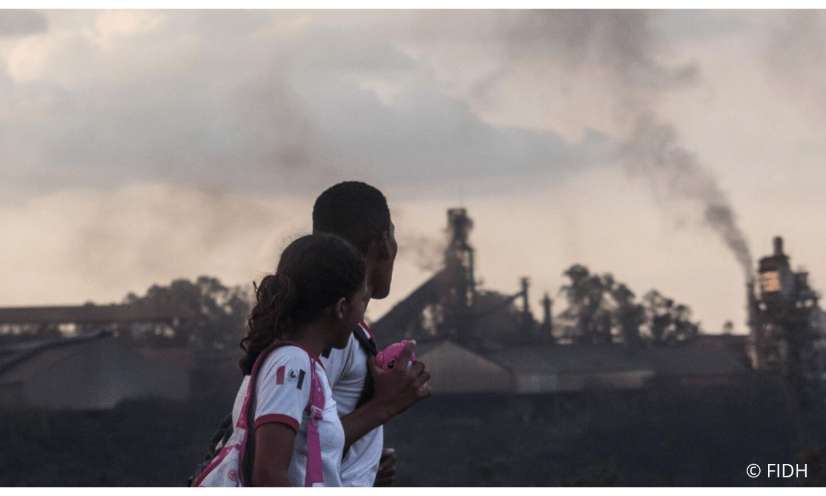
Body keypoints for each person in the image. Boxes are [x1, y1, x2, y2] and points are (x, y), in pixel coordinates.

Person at [312, 181, 432, 486]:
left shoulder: (341, 326)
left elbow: (320, 438)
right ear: (384, 243)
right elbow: (294, 447)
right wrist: (386, 405)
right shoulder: (330, 335)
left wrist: (362, 466)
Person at [231, 233, 369, 486]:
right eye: (363, 300)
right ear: (341, 307)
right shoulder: (291, 363)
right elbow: (269, 476)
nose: (363, 313)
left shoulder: (303, 364)